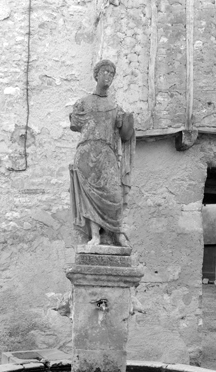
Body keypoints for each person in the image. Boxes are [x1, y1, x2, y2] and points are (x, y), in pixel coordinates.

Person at [69, 59, 135, 246]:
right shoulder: (83, 103)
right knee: (89, 195)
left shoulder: (114, 106)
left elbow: (126, 134)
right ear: (96, 75)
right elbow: (75, 124)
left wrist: (129, 120)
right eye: (105, 72)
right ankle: (95, 235)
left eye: (112, 74)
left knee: (114, 193)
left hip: (107, 153)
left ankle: (117, 231)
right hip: (86, 153)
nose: (108, 76)